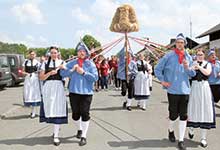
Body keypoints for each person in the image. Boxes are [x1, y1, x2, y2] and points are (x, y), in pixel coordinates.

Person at [154, 33, 195, 150]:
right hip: (172, 90)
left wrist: (188, 68)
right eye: (178, 42)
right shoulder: (168, 56)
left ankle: (181, 140)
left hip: (185, 90)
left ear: (185, 44)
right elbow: (157, 69)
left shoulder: (188, 57)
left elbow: (192, 74)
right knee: (173, 115)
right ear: (175, 44)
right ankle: (171, 130)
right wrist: (162, 81)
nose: (180, 44)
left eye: (182, 43)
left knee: (183, 115)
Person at [60, 41, 98, 146]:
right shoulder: (72, 62)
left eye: (83, 51)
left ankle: (84, 136)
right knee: (75, 114)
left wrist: (84, 73)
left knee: (85, 113)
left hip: (87, 93)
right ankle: (79, 129)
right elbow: (62, 73)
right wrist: (71, 70)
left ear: (86, 53)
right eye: (79, 51)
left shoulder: (91, 64)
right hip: (74, 92)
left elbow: (95, 78)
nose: (81, 53)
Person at [187, 48, 216, 148]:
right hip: (194, 87)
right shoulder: (192, 63)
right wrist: (191, 69)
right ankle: (191, 128)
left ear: (204, 55)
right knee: (193, 108)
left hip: (204, 87)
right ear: (196, 55)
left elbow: (207, 73)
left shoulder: (208, 64)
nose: (199, 56)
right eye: (198, 55)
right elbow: (189, 74)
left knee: (205, 110)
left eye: (201, 55)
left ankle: (203, 138)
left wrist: (198, 67)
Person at [39, 46, 67, 146]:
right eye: (52, 53)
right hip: (48, 88)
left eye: (55, 52)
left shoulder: (62, 62)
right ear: (49, 53)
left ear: (58, 53)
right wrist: (50, 73)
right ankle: (56, 130)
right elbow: (41, 78)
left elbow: (67, 74)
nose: (53, 54)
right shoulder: (45, 63)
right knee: (50, 109)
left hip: (58, 87)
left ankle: (56, 135)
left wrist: (64, 69)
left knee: (58, 109)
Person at [22, 50, 41, 119]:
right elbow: (22, 71)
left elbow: (40, 71)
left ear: (35, 55)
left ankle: (33, 111)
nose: (32, 55)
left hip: (35, 80)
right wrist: (27, 74)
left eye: (33, 54)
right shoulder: (26, 62)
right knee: (28, 94)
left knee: (35, 94)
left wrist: (37, 73)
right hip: (28, 79)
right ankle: (32, 110)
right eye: (31, 54)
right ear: (29, 55)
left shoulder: (38, 63)